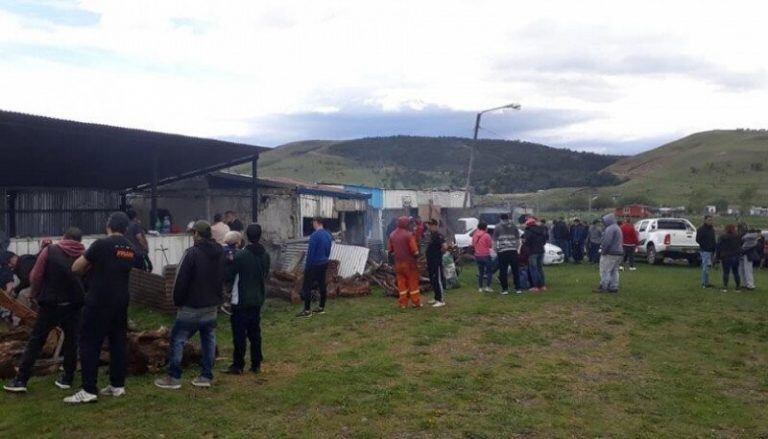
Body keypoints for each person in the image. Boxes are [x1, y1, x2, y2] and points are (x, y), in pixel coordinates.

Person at [64, 212, 137, 404]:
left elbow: (76, 268)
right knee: (118, 341)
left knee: (89, 342)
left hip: (99, 299)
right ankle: (117, 385)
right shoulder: (130, 248)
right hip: (121, 300)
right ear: (126, 228)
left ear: (109, 226)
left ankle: (88, 389)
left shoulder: (101, 244)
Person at [4, 228, 85, 393]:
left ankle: (21, 380)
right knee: (72, 340)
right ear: (80, 239)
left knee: (36, 341)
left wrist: (35, 294)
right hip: (74, 303)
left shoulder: (50, 251)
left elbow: (35, 276)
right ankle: (67, 378)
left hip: (51, 303)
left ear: (64, 237)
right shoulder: (85, 254)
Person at [155, 221, 225, 390]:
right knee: (208, 339)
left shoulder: (192, 253)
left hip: (192, 306)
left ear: (197, 234)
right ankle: (206, 376)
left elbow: (180, 280)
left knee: (177, 339)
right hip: (211, 306)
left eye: (193, 233)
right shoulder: (220, 252)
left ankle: (174, 377)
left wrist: (177, 301)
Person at [223, 224, 270, 375]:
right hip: (257, 299)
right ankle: (256, 364)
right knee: (255, 333)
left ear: (246, 236)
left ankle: (238, 365)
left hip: (241, 300)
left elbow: (228, 275)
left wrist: (228, 261)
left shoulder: (241, 255)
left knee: (239, 334)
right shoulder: (265, 255)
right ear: (260, 235)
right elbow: (265, 274)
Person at [296, 218, 333, 318]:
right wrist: (325, 258)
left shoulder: (314, 235)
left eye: (313, 223)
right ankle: (321, 307)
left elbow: (311, 253)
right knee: (322, 285)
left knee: (307, 286)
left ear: (318, 223)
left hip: (314, 264)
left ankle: (307, 311)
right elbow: (328, 250)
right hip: (324, 262)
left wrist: (307, 267)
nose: (313, 224)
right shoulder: (328, 235)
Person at [388, 216, 421, 309]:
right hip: (409, 264)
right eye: (409, 223)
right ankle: (415, 302)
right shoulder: (409, 235)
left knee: (401, 284)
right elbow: (415, 251)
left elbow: (390, 250)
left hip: (398, 263)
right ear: (406, 224)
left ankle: (403, 304)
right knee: (413, 283)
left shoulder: (392, 235)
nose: (410, 225)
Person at [594, 214, 624, 294]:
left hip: (610, 253)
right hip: (619, 252)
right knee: (615, 270)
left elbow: (607, 241)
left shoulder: (610, 229)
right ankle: (614, 287)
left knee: (605, 270)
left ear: (607, 220)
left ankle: (604, 286)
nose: (603, 223)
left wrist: (603, 251)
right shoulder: (617, 228)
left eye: (604, 221)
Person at [493, 214, 521, 295]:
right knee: (515, 270)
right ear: (508, 218)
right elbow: (518, 239)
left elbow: (494, 240)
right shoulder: (514, 226)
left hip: (502, 251)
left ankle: (505, 289)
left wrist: (496, 250)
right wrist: (516, 248)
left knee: (503, 271)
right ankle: (518, 288)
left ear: (500, 218)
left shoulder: (497, 227)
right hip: (513, 251)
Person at [424, 219, 448, 307]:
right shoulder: (431, 235)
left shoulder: (438, 235)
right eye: (428, 224)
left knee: (438, 280)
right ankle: (436, 297)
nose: (429, 226)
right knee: (433, 279)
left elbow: (445, 246)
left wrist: (439, 254)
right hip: (430, 261)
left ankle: (441, 300)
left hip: (436, 261)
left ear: (435, 225)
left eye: (431, 225)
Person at [524, 218, 548, 292]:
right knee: (540, 268)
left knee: (533, 269)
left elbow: (527, 242)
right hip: (541, 251)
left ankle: (536, 286)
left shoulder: (528, 231)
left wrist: (524, 242)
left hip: (532, 252)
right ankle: (543, 286)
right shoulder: (542, 230)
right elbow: (545, 240)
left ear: (528, 224)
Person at [717, 224, 741, 293]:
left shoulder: (722, 237)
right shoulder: (738, 236)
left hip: (726, 256)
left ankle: (725, 287)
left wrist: (717, 257)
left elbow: (719, 247)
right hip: (735, 256)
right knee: (736, 272)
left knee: (726, 272)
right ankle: (738, 288)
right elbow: (740, 246)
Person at [696, 215, 717, 288]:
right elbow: (698, 239)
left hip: (711, 250)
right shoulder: (701, 229)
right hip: (705, 250)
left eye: (711, 220)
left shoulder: (712, 229)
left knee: (708, 267)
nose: (710, 221)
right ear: (705, 220)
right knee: (705, 267)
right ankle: (703, 283)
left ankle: (707, 282)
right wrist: (705, 245)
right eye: (709, 220)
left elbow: (713, 239)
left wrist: (714, 248)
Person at [472, 221, 494, 293]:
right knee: (489, 272)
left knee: (481, 272)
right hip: (486, 255)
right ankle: (488, 287)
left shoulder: (475, 235)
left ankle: (480, 288)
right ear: (485, 227)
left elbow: (473, 244)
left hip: (477, 255)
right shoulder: (487, 235)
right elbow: (490, 245)